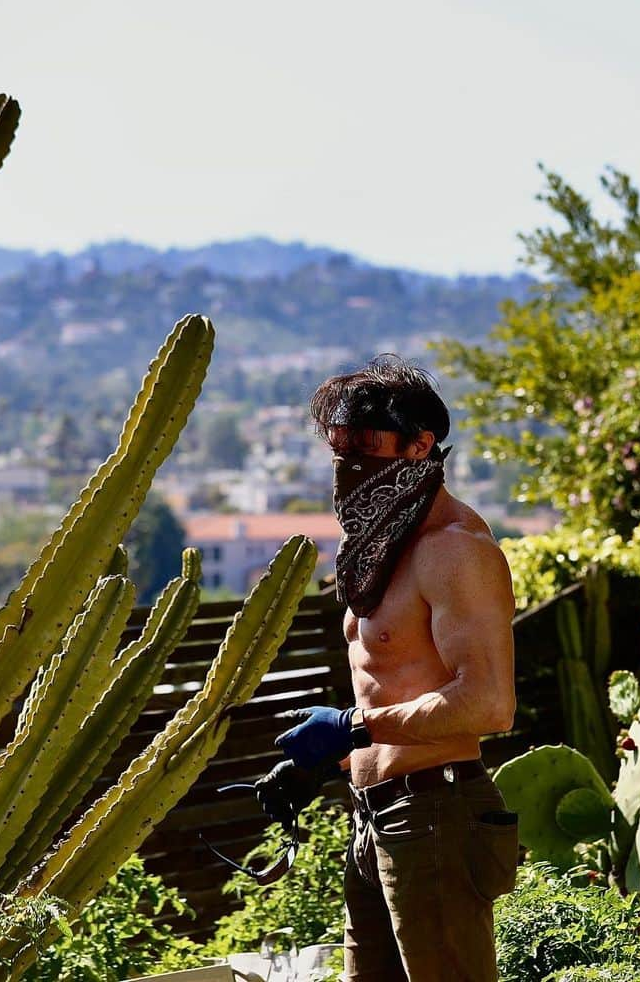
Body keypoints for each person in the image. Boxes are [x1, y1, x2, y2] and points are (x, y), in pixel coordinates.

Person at [255, 354, 519, 982]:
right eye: (338, 447)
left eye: (367, 446)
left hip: (437, 812)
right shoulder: (378, 553)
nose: (348, 465)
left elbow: (488, 703)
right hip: (373, 815)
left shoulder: (456, 551)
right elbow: (394, 680)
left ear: (420, 445)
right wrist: (321, 762)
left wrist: (352, 728)